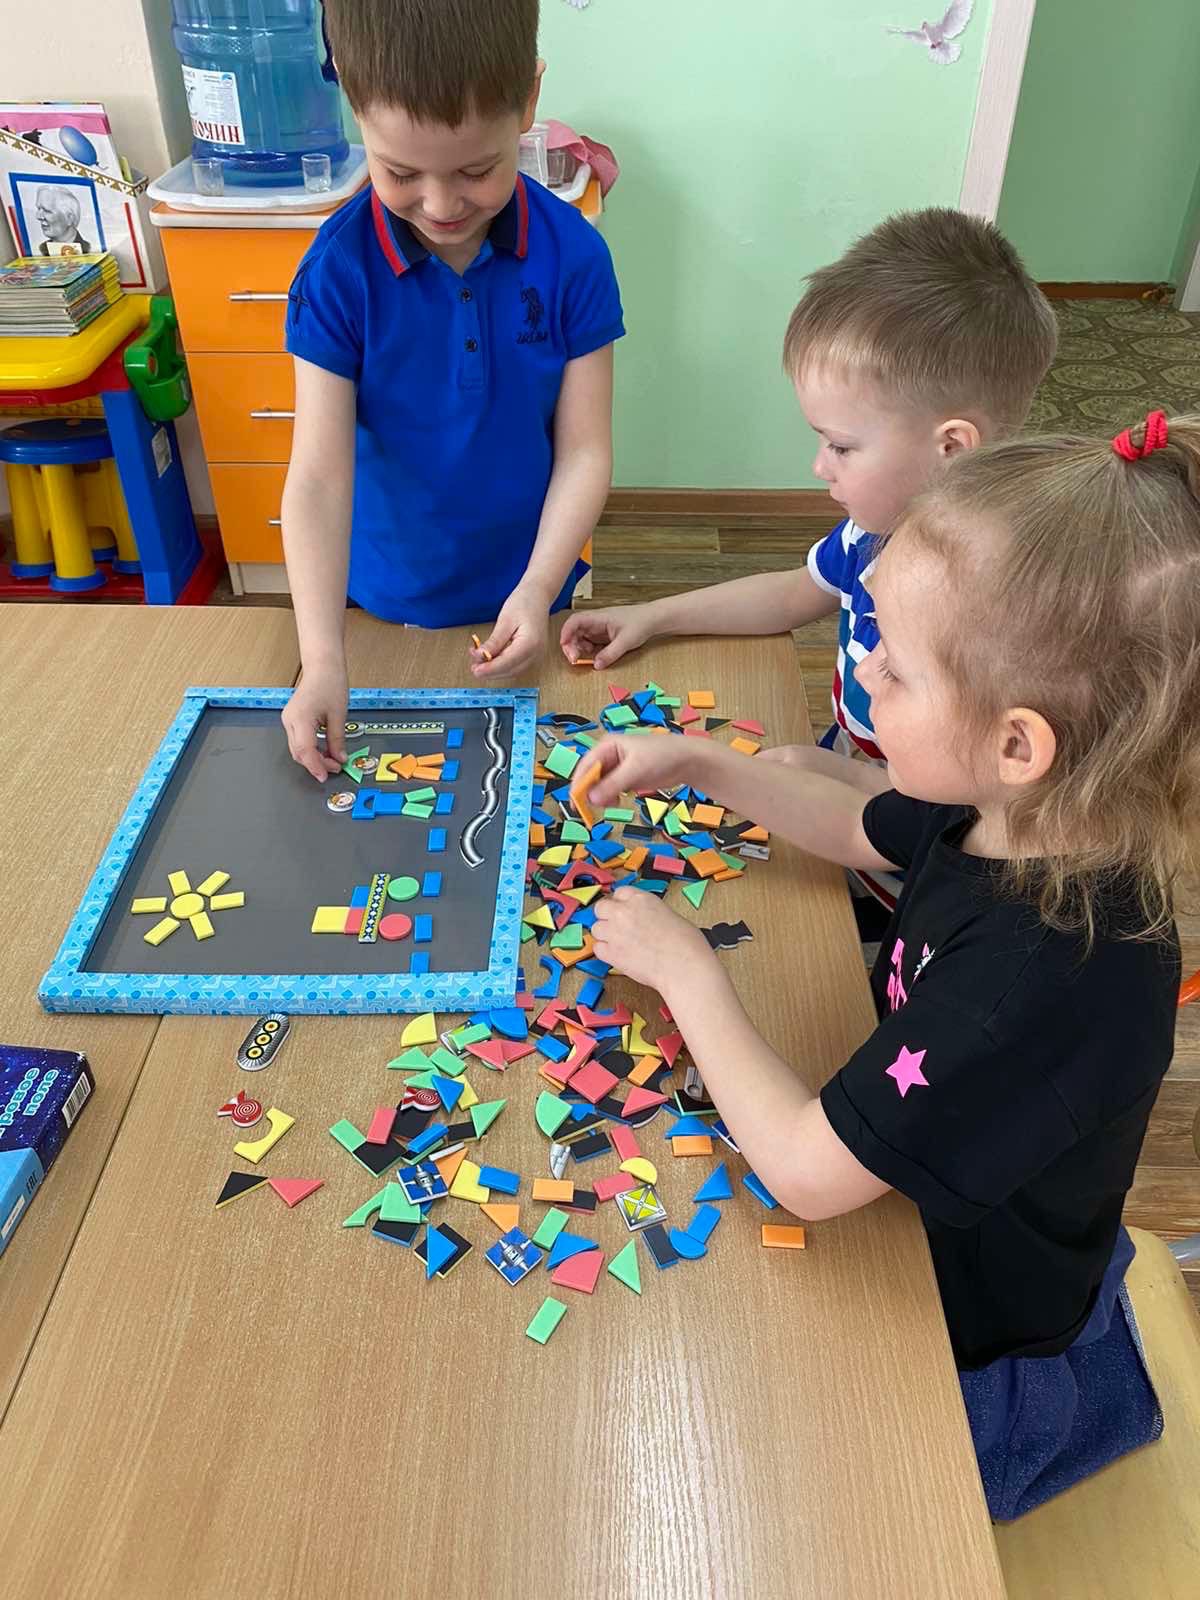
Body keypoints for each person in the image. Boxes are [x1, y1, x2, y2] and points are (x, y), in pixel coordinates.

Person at [586, 410, 1196, 1519]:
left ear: (1018, 741)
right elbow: (859, 825)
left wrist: (688, 973)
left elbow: (805, 1176)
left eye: (899, 671)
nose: (862, 666)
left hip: (971, 1344)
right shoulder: (1015, 813)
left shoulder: (1035, 975)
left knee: (818, 1497)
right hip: (935, 1198)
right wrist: (697, 762)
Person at [562, 208, 1057, 933]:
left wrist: (832, 782)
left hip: (918, 872)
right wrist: (653, 615)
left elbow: (958, 812)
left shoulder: (997, 608)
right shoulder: (873, 531)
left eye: (842, 446)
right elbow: (796, 592)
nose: (819, 465)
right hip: (851, 797)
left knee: (833, 964)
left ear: (951, 447)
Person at [281, 0, 624, 781]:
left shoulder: (574, 257)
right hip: (380, 610)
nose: (440, 205)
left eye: (476, 170)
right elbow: (319, 478)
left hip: (532, 597)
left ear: (528, 101)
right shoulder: (336, 272)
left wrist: (537, 589)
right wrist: (321, 660)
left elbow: (584, 452)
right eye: (400, 172)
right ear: (355, 111)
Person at [35, 187, 93, 255]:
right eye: (38, 209)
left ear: (69, 218)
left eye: (47, 211)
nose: (38, 216)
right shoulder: (41, 249)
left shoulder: (90, 249)